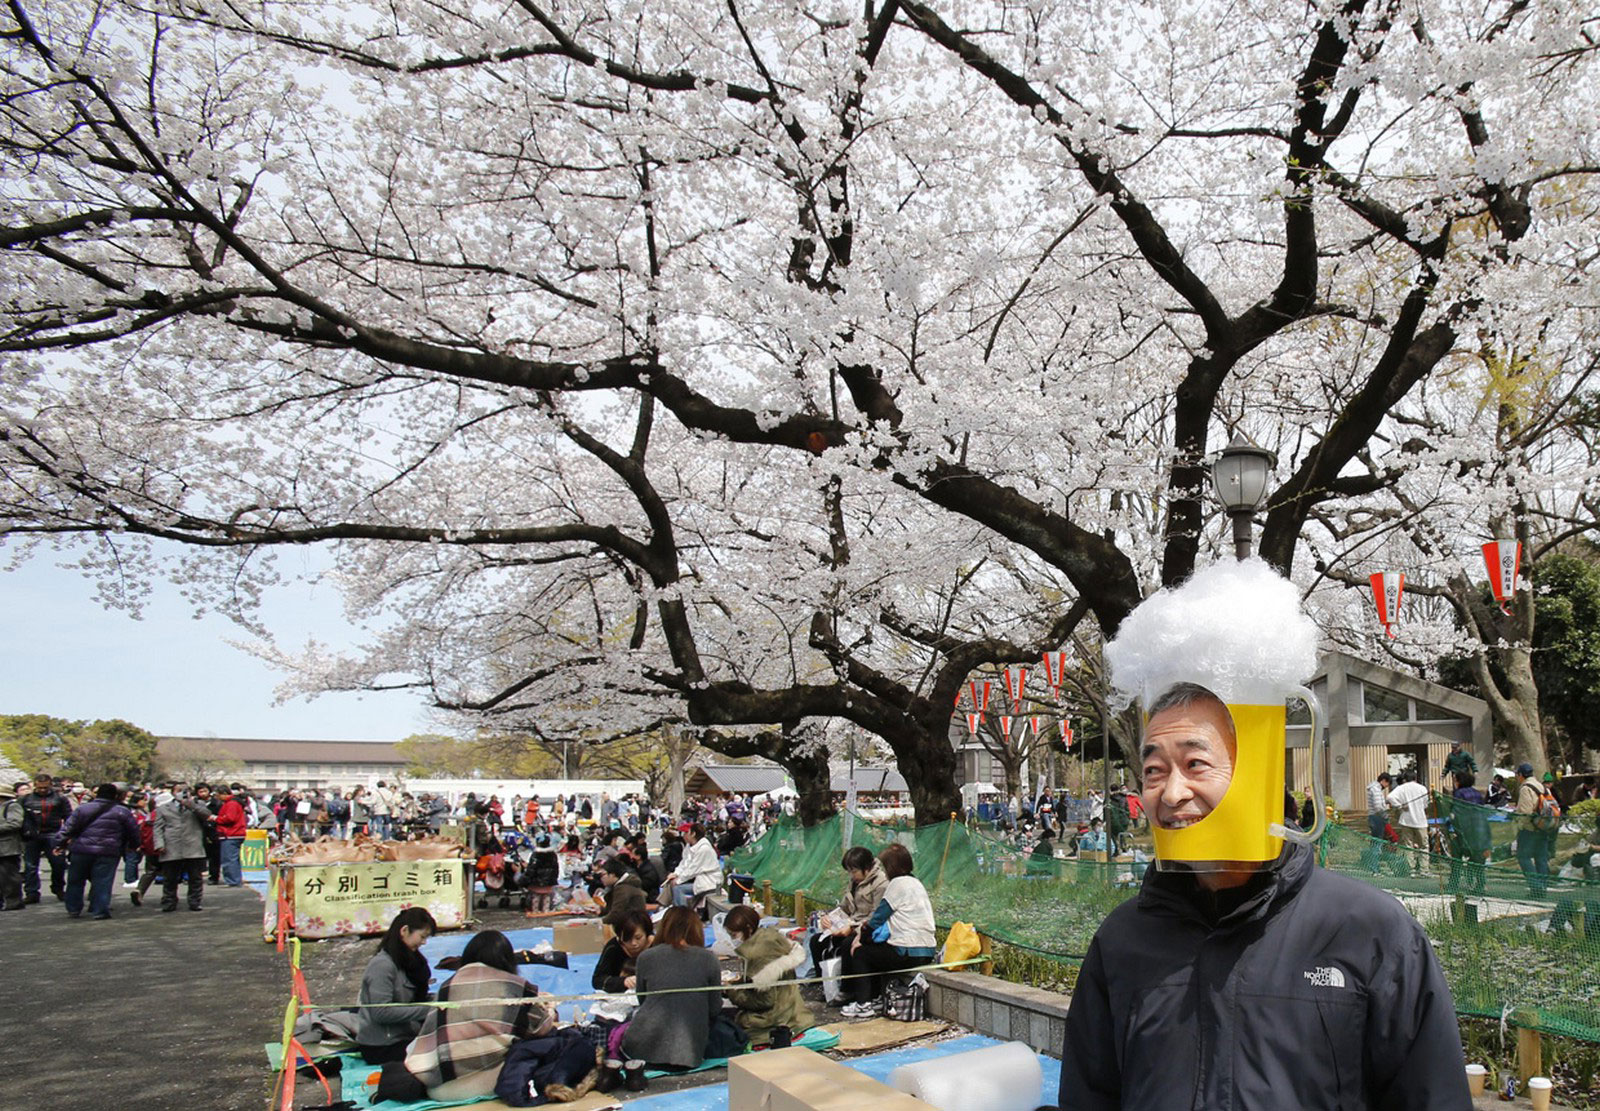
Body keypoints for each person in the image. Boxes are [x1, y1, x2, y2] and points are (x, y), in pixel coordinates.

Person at [1060, 681, 1469, 1108]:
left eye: (1196, 764)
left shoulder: (1370, 930)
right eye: (1154, 771)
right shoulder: (1123, 938)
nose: (1172, 793)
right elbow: (1088, 1094)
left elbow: (1433, 1096)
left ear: (1259, 772)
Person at [386, 930, 551, 1103]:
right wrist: (549, 1010)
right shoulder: (514, 985)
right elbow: (542, 1028)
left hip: (434, 1087)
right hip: (483, 1083)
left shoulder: (446, 985)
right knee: (538, 1046)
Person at [839, 843, 936, 1018]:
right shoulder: (916, 883)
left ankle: (863, 1004)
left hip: (906, 950)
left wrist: (861, 939)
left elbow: (878, 918)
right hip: (927, 949)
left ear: (891, 867)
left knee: (861, 953)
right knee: (875, 952)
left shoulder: (896, 885)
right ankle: (875, 998)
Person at [620, 906, 723, 1069]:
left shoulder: (647, 957)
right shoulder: (709, 959)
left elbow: (643, 999)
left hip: (642, 1048)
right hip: (688, 1053)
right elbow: (714, 1008)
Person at [723, 903, 813, 1046]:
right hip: (792, 1008)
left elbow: (765, 1001)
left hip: (777, 1017)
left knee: (729, 1029)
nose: (733, 939)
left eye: (734, 935)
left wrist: (732, 991)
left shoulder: (757, 954)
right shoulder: (769, 937)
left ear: (748, 929)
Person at [357, 907, 438, 1064]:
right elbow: (381, 1012)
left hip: (403, 1034)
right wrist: (427, 1009)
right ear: (404, 931)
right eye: (422, 936)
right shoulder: (382, 965)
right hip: (382, 1045)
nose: (424, 942)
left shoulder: (409, 961)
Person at [54, 783, 141, 919]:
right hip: (108, 850)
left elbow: (68, 828)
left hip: (81, 849)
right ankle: (99, 910)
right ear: (115, 796)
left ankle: (73, 908)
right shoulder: (122, 811)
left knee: (76, 880)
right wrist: (134, 846)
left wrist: (59, 843)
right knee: (103, 881)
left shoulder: (83, 809)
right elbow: (133, 831)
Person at [808, 846, 889, 971]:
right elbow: (844, 907)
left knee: (847, 944)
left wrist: (853, 928)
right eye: (849, 871)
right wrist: (828, 918)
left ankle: (847, 987)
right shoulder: (854, 882)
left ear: (866, 868)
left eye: (854, 871)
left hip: (866, 930)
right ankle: (822, 982)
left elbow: (876, 916)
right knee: (816, 941)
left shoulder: (880, 884)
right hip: (848, 925)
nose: (852, 875)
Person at [154, 783, 215, 912]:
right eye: (179, 790)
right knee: (170, 878)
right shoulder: (163, 808)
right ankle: (169, 902)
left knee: (195, 878)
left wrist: (191, 805)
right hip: (171, 845)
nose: (182, 793)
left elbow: (207, 815)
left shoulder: (197, 806)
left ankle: (195, 902)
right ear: (172, 793)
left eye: (185, 790)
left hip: (193, 845)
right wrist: (159, 844)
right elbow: (158, 828)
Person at [20, 772, 70, 903]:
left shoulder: (60, 798)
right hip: (32, 836)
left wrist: (67, 835)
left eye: (45, 787)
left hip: (53, 834)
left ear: (50, 786)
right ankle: (32, 892)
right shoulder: (26, 799)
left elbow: (69, 817)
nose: (42, 790)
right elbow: (20, 817)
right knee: (31, 866)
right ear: (35, 786)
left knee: (58, 864)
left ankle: (58, 888)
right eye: (39, 787)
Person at [1444, 772, 1490, 896]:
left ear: (1459, 781)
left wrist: (1449, 826)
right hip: (1480, 828)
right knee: (1478, 859)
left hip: (1464, 830)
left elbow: (1455, 812)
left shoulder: (1458, 793)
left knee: (1457, 859)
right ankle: (1480, 885)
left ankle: (1453, 885)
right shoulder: (1477, 794)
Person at [1515, 762, 1555, 897]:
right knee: (1541, 858)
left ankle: (1536, 886)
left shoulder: (1526, 788)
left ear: (1521, 775)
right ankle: (1542, 888)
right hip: (1543, 827)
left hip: (1530, 829)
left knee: (1523, 857)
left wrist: (1520, 824)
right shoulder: (1543, 787)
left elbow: (1525, 811)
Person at [592, 909, 654, 993]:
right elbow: (597, 980)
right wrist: (623, 982)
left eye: (638, 937)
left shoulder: (657, 946)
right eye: (627, 939)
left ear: (647, 933)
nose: (634, 943)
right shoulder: (613, 948)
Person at [663, 823, 721, 909]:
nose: (683, 836)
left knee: (677, 888)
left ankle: (683, 913)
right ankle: (665, 906)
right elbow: (684, 863)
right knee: (671, 883)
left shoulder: (704, 849)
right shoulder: (689, 846)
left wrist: (679, 880)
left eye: (686, 833)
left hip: (709, 882)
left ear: (693, 834)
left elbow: (693, 869)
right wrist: (675, 873)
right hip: (697, 879)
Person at [1386, 771, 1432, 876]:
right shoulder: (1422, 788)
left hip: (1406, 820)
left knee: (1408, 846)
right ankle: (1424, 870)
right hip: (1420, 820)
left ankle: (1411, 870)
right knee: (1424, 845)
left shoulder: (1401, 788)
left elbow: (1389, 797)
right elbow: (1425, 805)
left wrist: (1399, 806)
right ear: (1415, 778)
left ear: (1404, 779)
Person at [0, 781, 27, 910]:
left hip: (8, 847)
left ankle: (14, 901)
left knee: (9, 876)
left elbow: (15, 823)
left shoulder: (12, 806)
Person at [214, 785, 248, 887]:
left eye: (218, 795)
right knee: (234, 859)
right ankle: (235, 879)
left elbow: (230, 818)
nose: (218, 798)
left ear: (224, 794)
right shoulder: (234, 803)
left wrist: (216, 819)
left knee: (229, 859)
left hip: (231, 834)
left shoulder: (231, 804)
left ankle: (233, 880)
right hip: (235, 834)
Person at [598, 857, 647, 927]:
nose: (601, 878)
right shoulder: (624, 884)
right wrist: (601, 910)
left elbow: (616, 914)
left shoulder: (622, 888)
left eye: (603, 875)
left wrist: (599, 922)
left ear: (613, 874)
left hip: (632, 927)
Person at [1363, 772, 1393, 873]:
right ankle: (1374, 869)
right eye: (1387, 784)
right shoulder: (1375, 789)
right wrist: (1385, 816)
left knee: (1376, 844)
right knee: (1376, 844)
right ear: (1383, 781)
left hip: (1375, 818)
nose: (1386, 787)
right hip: (1377, 819)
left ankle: (1374, 867)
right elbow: (1377, 807)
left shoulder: (1375, 789)